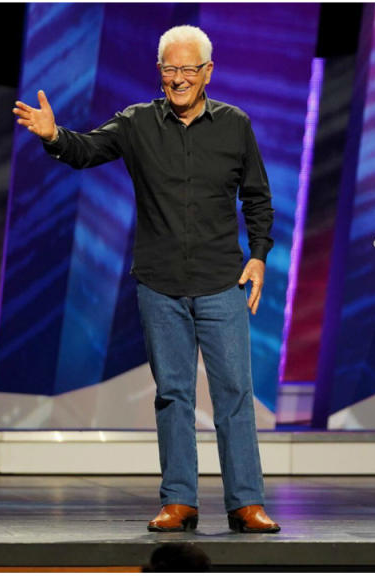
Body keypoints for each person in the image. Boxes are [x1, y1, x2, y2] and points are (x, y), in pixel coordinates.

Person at [14, 25, 279, 533]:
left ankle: (246, 502)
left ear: (208, 73)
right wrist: (53, 136)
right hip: (159, 283)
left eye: (188, 69)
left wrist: (259, 255)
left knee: (235, 395)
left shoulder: (235, 125)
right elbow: (87, 149)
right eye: (170, 69)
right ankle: (179, 500)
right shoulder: (136, 122)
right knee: (172, 393)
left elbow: (258, 198)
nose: (179, 79)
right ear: (160, 73)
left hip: (222, 281)